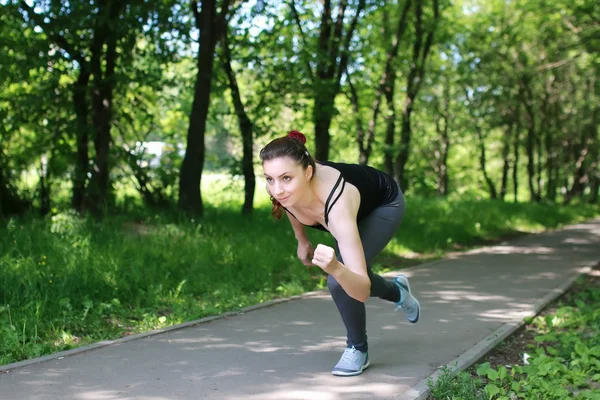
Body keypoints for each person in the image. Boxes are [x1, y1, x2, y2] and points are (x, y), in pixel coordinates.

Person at [259, 130, 421, 376]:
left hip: (383, 205)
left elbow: (362, 290)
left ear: (308, 172)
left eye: (286, 178)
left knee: (339, 281)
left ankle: (358, 348)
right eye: (269, 179)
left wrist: (335, 267)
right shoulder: (287, 189)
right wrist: (301, 239)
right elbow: (290, 206)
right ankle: (398, 292)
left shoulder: (337, 202)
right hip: (346, 209)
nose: (278, 189)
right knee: (353, 273)